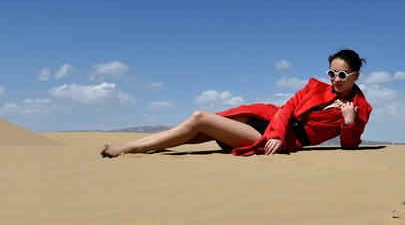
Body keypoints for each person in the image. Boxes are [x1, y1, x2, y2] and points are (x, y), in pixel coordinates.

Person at [100, 49, 372, 157]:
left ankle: (128, 147)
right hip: (270, 121)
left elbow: (351, 145)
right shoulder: (315, 86)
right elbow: (289, 107)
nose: (335, 79)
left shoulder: (361, 108)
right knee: (201, 127)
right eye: (332, 73)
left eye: (342, 75)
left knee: (199, 118)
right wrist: (276, 130)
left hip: (284, 139)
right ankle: (154, 145)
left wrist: (348, 122)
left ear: (355, 75)